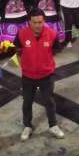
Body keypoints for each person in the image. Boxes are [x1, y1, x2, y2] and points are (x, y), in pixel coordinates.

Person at [15, 9, 64, 141]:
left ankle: (53, 125)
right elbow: (18, 50)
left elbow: (55, 50)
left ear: (44, 21)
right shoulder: (21, 34)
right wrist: (24, 65)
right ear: (29, 22)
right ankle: (27, 126)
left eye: (40, 22)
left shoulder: (52, 34)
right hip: (27, 77)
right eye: (34, 22)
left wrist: (45, 62)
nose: (38, 25)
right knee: (27, 102)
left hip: (46, 76)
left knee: (49, 101)